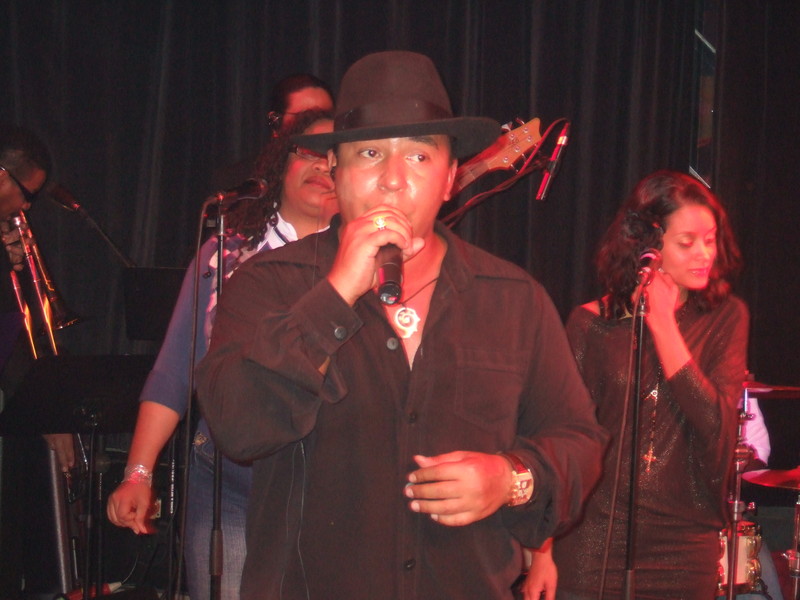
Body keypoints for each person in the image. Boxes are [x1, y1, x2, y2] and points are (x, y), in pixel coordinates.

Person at [196, 50, 607, 600]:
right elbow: (238, 428)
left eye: (418, 156)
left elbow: (579, 442)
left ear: (450, 177)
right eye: (370, 153)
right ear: (335, 170)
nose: (393, 180)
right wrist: (335, 295)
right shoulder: (269, 284)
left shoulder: (515, 299)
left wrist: (510, 479)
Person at [106, 109, 337, 600]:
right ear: (282, 164)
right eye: (311, 152)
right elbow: (175, 368)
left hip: (325, 485)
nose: (324, 166)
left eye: (338, 158)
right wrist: (138, 473)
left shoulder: (372, 265)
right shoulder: (225, 254)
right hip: (227, 481)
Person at [524, 170, 749, 600]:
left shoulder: (726, 318)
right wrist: (542, 550)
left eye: (710, 239)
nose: (704, 253)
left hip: (685, 546)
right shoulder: (590, 324)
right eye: (687, 242)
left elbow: (716, 428)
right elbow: (559, 438)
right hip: (594, 539)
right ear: (648, 247)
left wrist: (663, 323)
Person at [212, 73, 334, 191]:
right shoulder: (238, 183)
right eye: (305, 118)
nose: (317, 125)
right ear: (276, 121)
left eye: (324, 117)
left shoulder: (338, 174)